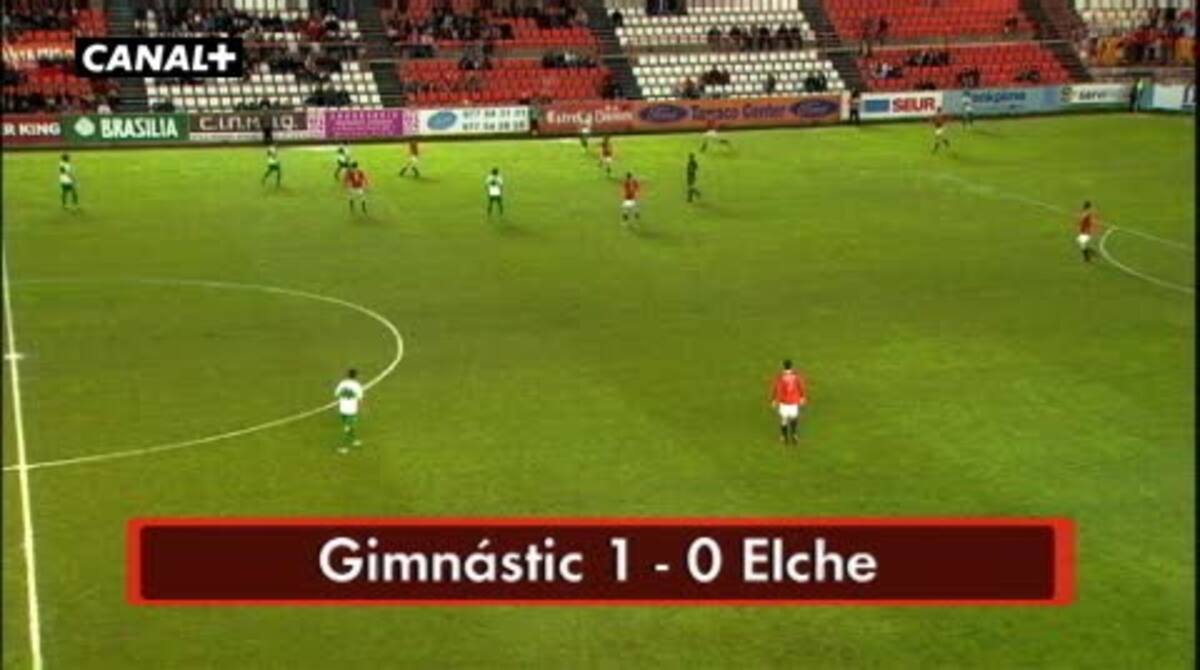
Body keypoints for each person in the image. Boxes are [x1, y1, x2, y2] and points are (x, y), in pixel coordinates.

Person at [770, 359, 807, 445]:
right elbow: (801, 386)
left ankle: (784, 437)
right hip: (793, 401)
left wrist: (774, 399)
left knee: (784, 420)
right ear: (791, 366)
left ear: (783, 366)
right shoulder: (796, 376)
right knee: (794, 418)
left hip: (784, 402)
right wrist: (802, 397)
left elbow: (775, 388)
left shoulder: (780, 377)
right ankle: (794, 434)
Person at [334, 368, 364, 452]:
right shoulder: (357, 385)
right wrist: (360, 408)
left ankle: (353, 440)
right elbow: (360, 398)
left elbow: (336, 394)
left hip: (342, 408)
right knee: (347, 427)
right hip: (351, 409)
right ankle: (343, 447)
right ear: (356, 376)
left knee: (350, 426)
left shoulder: (342, 383)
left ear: (347, 375)